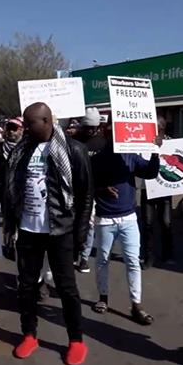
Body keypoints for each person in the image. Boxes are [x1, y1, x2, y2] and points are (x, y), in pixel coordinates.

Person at [4, 102, 94, 365]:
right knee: (27, 286)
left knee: (67, 288)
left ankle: (76, 340)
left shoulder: (75, 150)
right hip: (28, 230)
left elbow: (85, 195)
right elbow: (9, 191)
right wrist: (9, 227)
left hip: (60, 231)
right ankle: (29, 335)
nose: (26, 128)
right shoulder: (21, 151)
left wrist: (80, 233)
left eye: (30, 123)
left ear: (46, 122)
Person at [89, 116, 160, 325]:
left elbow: (150, 172)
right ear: (104, 132)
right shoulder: (97, 159)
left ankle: (136, 305)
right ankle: (103, 298)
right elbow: (85, 186)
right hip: (104, 220)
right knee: (102, 260)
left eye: (116, 129)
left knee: (132, 262)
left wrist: (155, 152)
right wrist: (101, 190)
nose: (112, 133)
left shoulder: (129, 154)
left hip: (128, 218)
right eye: (109, 130)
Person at [74, 107, 108, 273]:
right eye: (87, 127)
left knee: (90, 225)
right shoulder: (74, 140)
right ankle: (74, 250)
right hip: (75, 189)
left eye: (93, 128)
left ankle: (84, 258)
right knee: (73, 222)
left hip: (94, 191)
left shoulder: (103, 142)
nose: (90, 131)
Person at [139, 116, 174, 268]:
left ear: (164, 128)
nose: (156, 131)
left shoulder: (172, 143)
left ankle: (168, 254)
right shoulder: (144, 143)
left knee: (166, 223)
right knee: (147, 224)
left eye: (159, 128)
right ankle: (148, 257)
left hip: (165, 191)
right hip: (148, 189)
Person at [0, 116, 24, 209]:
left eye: (14, 129)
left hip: (24, 194)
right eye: (9, 128)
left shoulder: (27, 149)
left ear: (21, 130)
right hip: (6, 194)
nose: (11, 131)